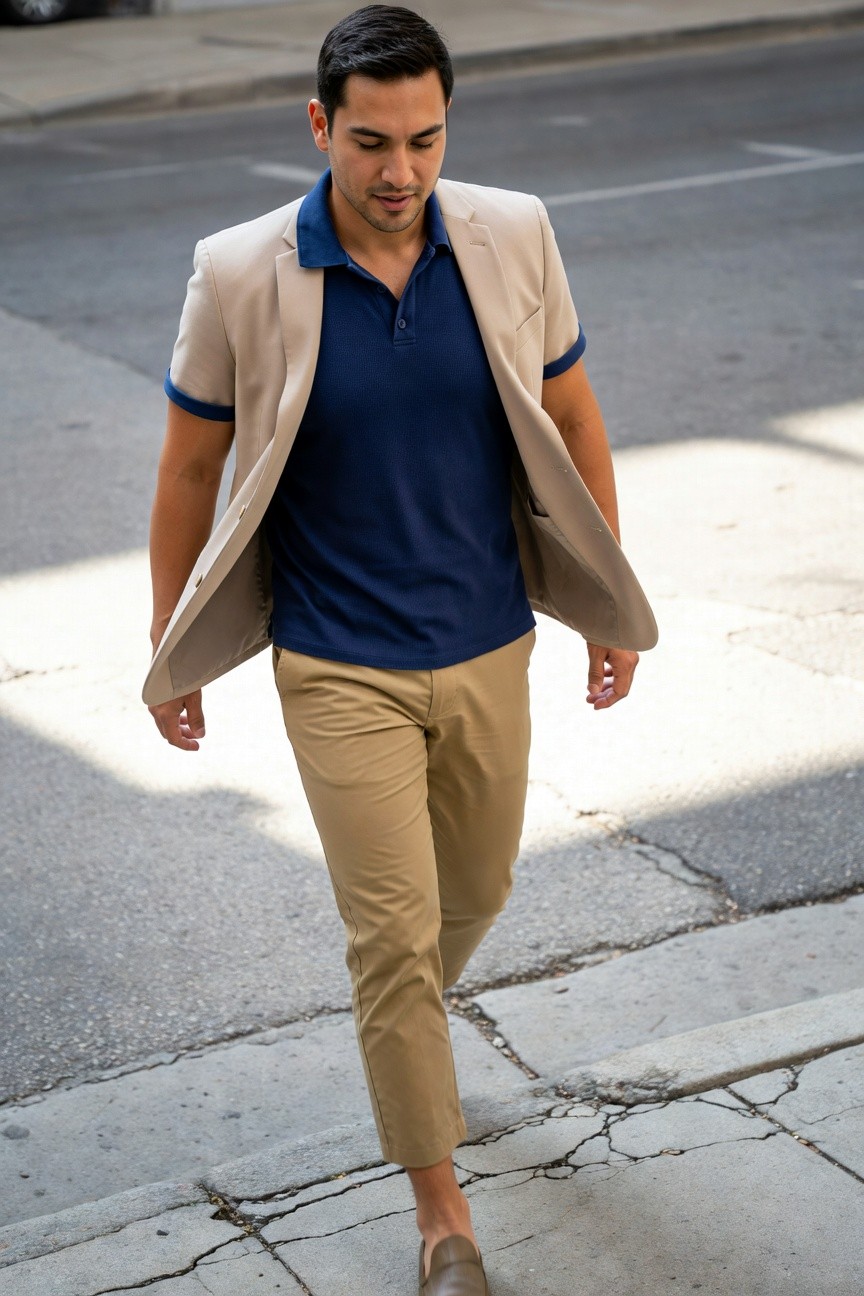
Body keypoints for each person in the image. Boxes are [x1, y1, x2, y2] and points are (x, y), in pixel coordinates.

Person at [145, 6, 657, 1292]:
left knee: (465, 905)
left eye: (425, 140)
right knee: (391, 937)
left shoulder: (513, 233)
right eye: (371, 141)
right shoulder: (241, 269)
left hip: (489, 642)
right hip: (335, 660)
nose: (400, 172)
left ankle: (405, 1038)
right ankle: (444, 1221)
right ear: (319, 127)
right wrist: (174, 643)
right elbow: (191, 466)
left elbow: (576, 416)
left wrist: (608, 598)